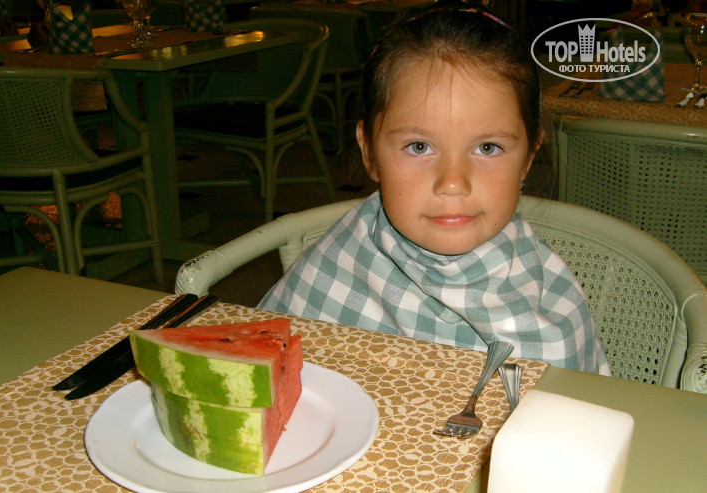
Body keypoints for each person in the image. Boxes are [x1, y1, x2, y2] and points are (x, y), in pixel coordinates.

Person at [258, 1, 611, 375]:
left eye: (487, 148)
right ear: (370, 153)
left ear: (527, 158)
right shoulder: (332, 268)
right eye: (419, 146)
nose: (453, 183)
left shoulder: (551, 307)